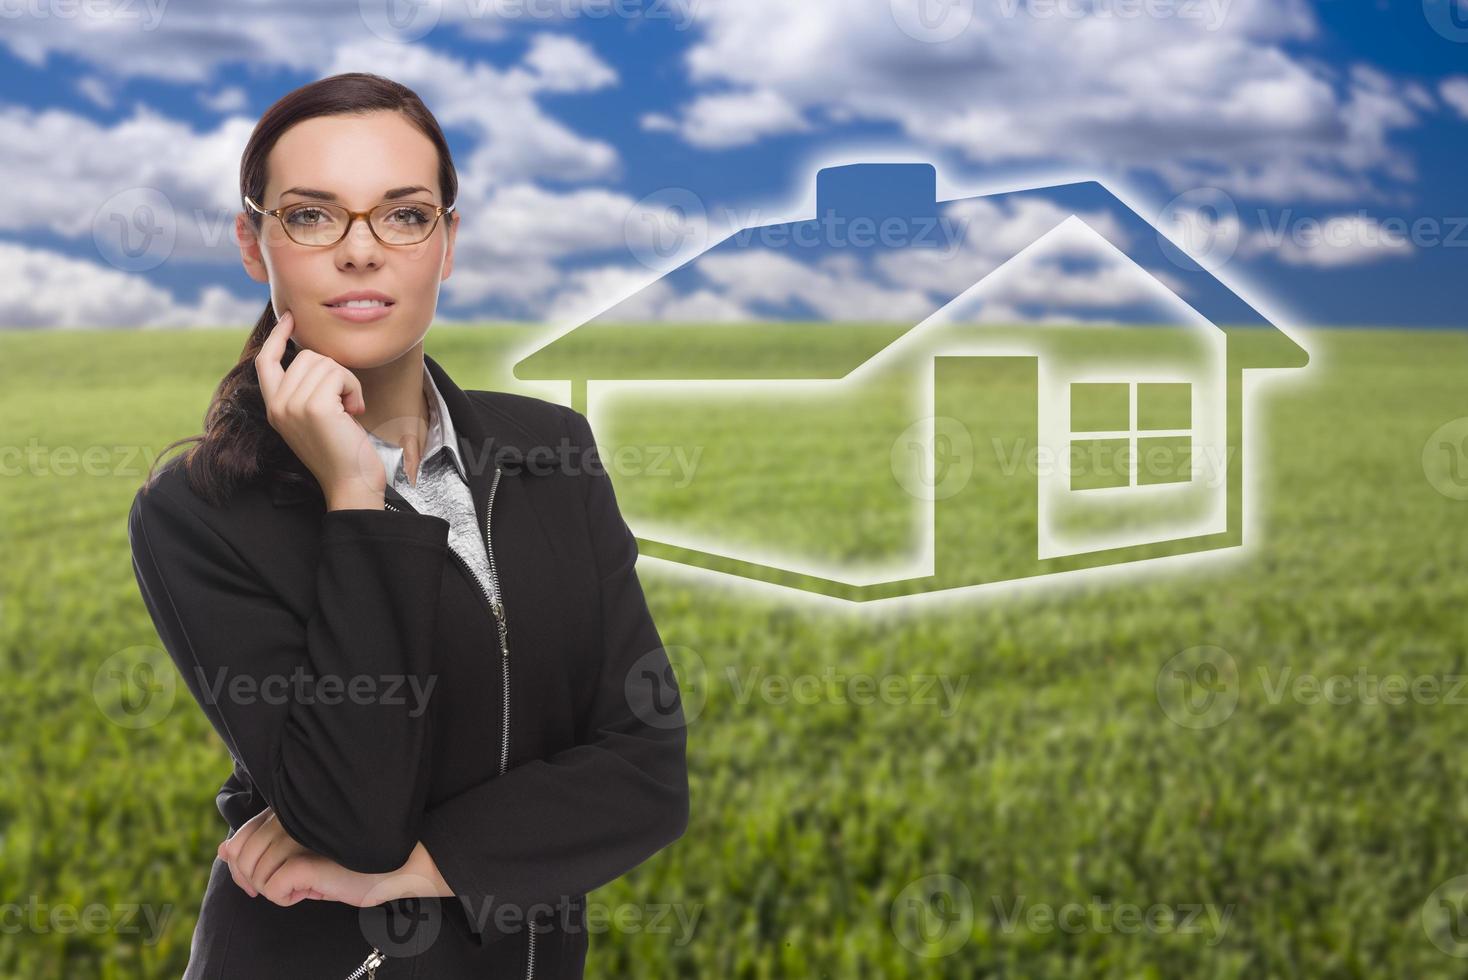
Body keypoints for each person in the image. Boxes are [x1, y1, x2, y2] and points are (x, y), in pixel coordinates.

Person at [126, 71, 689, 979]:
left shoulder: (554, 450)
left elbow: (650, 772)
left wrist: (415, 871)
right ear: (252, 241)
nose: (361, 252)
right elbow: (354, 816)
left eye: (404, 214)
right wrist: (356, 496)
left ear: (448, 241)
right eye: (312, 215)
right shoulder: (195, 512)